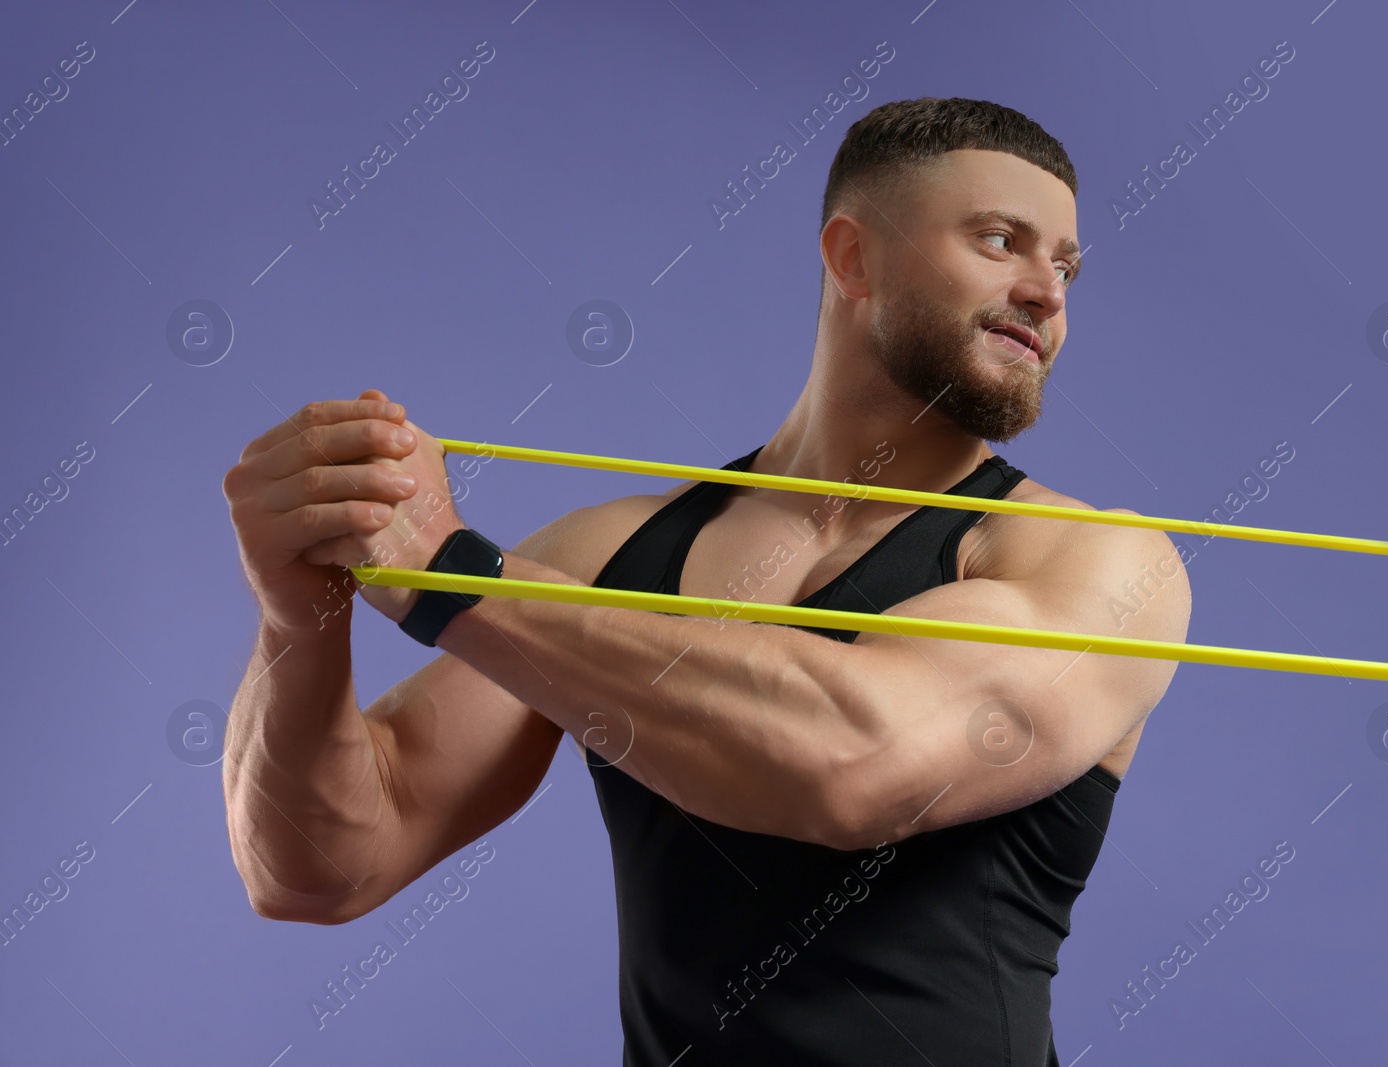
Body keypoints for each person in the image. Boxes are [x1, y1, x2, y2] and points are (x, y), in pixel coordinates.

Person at [221, 96, 1191, 1065]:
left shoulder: (1098, 561)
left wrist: (451, 578)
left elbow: (851, 763)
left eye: (1063, 264)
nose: (1047, 290)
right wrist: (295, 612)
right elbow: (320, 867)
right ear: (854, 257)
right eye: (999, 240)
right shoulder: (604, 554)